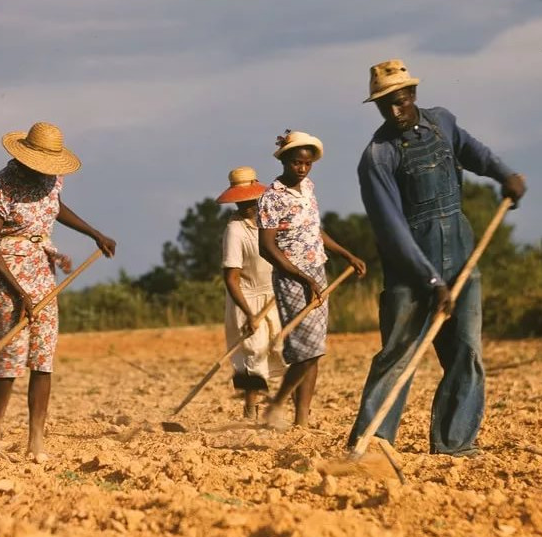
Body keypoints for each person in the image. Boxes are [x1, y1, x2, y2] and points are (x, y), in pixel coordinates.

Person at [347, 59, 526, 456]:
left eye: (400, 100)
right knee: (399, 354)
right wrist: (431, 281)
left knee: (466, 350)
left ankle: (454, 442)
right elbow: (392, 231)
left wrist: (504, 175)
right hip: (409, 270)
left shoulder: (442, 122)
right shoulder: (378, 156)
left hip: (461, 255)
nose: (395, 111)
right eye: (385, 105)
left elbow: (474, 152)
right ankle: (372, 445)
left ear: (413, 93)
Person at [0, 122, 116, 462]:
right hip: (8, 275)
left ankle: (36, 441)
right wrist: (19, 293)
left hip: (42, 272)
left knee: (43, 356)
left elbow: (56, 207)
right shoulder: (0, 187)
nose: (45, 171)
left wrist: (95, 234)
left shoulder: (51, 180)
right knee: (10, 357)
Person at [257, 130, 367, 429]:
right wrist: (303, 278)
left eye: (307, 164)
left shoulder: (308, 188)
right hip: (291, 277)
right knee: (305, 351)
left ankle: (301, 420)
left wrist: (346, 254)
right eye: (296, 163)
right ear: (284, 161)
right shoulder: (272, 197)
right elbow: (267, 247)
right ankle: (278, 403)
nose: (302, 169)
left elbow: (313, 230)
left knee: (315, 349)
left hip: (317, 271)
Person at [217, 167, 285, 419]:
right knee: (253, 354)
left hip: (274, 295)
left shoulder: (270, 221)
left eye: (251, 200)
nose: (248, 205)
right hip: (246, 299)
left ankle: (289, 408)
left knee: (284, 349)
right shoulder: (235, 230)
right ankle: (250, 411)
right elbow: (231, 278)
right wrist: (249, 314)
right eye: (242, 201)